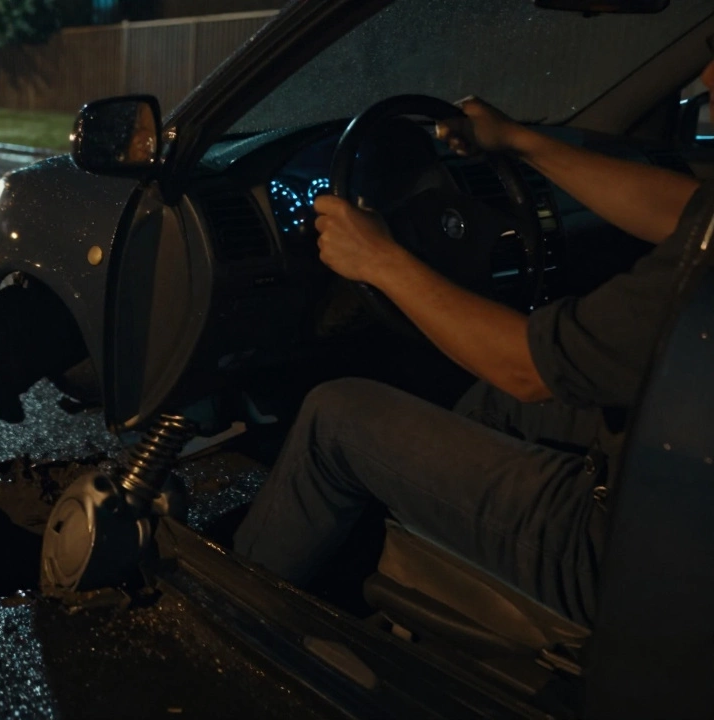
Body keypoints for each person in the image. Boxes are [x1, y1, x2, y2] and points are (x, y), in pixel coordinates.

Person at [233, 59, 714, 627]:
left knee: (332, 417)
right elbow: (685, 212)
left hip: (635, 554)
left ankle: (233, 625)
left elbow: (527, 369)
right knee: (489, 403)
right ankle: (434, 571)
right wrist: (521, 142)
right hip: (680, 478)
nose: (706, 76)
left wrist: (380, 260)